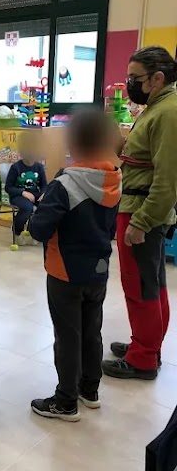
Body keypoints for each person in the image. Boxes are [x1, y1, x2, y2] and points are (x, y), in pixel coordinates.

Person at [28, 109, 122, 422]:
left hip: (64, 272)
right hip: (99, 270)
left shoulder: (63, 185)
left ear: (75, 142)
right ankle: (89, 390)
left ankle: (65, 401)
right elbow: (109, 229)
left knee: (67, 336)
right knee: (92, 331)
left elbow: (39, 229)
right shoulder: (114, 180)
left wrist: (37, 213)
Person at [102, 46, 177, 380]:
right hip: (135, 206)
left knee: (142, 287)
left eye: (135, 79)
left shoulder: (168, 113)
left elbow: (167, 179)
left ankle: (143, 358)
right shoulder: (155, 108)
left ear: (157, 78)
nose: (130, 85)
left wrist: (142, 222)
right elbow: (139, 158)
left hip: (141, 212)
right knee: (152, 283)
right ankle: (145, 345)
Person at [4, 141, 47, 244]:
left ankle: (35, 233)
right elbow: (8, 187)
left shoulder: (39, 167)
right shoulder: (16, 167)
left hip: (35, 195)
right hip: (18, 195)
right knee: (27, 207)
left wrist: (43, 194)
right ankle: (17, 231)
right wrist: (22, 192)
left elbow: (44, 185)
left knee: (46, 206)